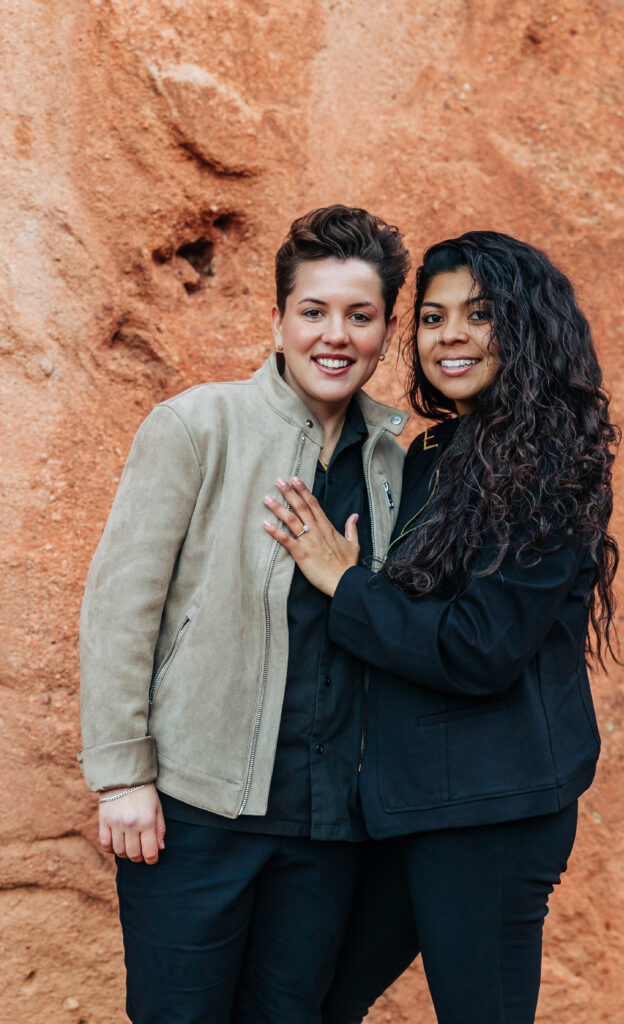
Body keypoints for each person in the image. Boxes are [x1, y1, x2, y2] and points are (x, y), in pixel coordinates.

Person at [263, 231, 620, 1024]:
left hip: (490, 810)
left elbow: (478, 648)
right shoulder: (435, 452)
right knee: (308, 1002)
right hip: (408, 800)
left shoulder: (548, 464)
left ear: (524, 328)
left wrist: (342, 583)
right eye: (431, 317)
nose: (449, 334)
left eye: (479, 314)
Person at [78, 204, 411, 1023]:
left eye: (359, 316)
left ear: (384, 329)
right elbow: (122, 604)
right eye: (313, 311)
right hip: (194, 812)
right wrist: (123, 775)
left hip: (329, 825)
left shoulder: (394, 463)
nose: (334, 336)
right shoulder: (198, 425)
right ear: (278, 320)